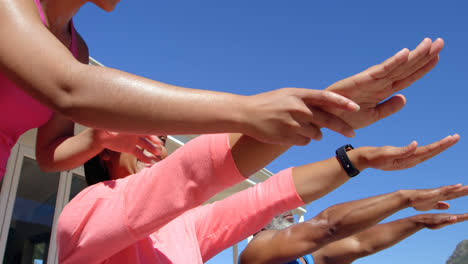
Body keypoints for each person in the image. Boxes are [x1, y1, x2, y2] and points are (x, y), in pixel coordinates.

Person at [0, 0, 445, 178]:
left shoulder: (78, 48)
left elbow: (47, 154)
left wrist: (95, 138)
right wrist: (246, 109)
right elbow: (69, 88)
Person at [56, 130, 460, 263]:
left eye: (160, 138)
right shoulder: (85, 210)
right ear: (105, 147)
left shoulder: (186, 226)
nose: (156, 142)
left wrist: (358, 159)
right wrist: (309, 115)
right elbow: (188, 175)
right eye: (138, 133)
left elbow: (268, 196)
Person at [240, 200, 468, 264]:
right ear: (256, 223)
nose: (289, 210)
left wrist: (418, 221)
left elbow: (360, 243)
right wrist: (404, 199)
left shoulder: (306, 257)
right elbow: (328, 225)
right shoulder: (254, 252)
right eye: (277, 208)